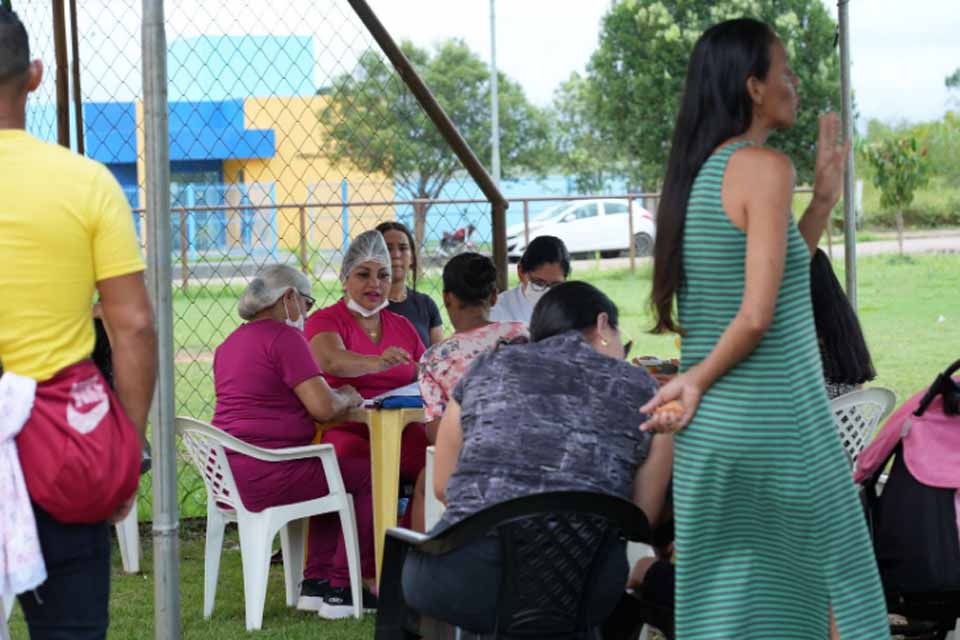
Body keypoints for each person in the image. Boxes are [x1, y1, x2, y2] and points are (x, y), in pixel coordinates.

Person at [641, 18, 889, 639]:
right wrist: (693, 379)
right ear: (753, 86)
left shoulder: (697, 175)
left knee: (734, 611)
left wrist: (824, 202)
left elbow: (767, 286)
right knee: (836, 594)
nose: (796, 83)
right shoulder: (765, 166)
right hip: (777, 427)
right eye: (785, 71)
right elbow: (756, 316)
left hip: (716, 439)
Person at [0, 7, 157, 638]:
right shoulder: (87, 182)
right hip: (61, 445)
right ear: (35, 75)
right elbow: (135, 326)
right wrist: (128, 446)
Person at [402, 281, 673, 634]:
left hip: (461, 578)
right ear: (604, 324)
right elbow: (640, 516)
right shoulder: (648, 392)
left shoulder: (485, 369)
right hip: (585, 585)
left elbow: (443, 487)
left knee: (495, 588)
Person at [211, 265, 370, 619]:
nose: (308, 314)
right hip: (270, 473)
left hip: (230, 474)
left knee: (334, 472)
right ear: (288, 298)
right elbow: (324, 407)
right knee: (366, 474)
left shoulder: (229, 344)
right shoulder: (284, 338)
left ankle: (316, 584)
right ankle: (342, 588)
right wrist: (346, 395)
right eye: (307, 303)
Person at [306, 231, 429, 532]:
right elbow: (330, 360)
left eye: (383, 276)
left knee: (436, 461)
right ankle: (369, 566)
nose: (375, 284)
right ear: (344, 278)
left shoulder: (401, 325)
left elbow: (425, 370)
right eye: (364, 274)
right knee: (369, 470)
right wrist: (377, 362)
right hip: (345, 429)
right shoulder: (325, 320)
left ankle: (410, 547)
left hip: (400, 430)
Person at [418, 252, 527, 439]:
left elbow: (437, 434)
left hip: (474, 458)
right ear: (494, 296)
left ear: (446, 298)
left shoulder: (433, 360)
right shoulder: (523, 335)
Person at [810, 248, 877, 399]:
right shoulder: (843, 322)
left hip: (817, 421)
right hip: (851, 421)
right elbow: (858, 385)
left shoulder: (798, 333)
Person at [375, 221, 444, 347]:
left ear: (412, 257)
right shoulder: (359, 306)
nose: (395, 255)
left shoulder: (426, 305)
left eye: (402, 248)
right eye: (387, 248)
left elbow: (439, 360)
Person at [489, 235, 570, 325]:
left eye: (555, 285)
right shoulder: (497, 313)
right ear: (521, 272)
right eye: (539, 283)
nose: (546, 293)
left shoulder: (571, 311)